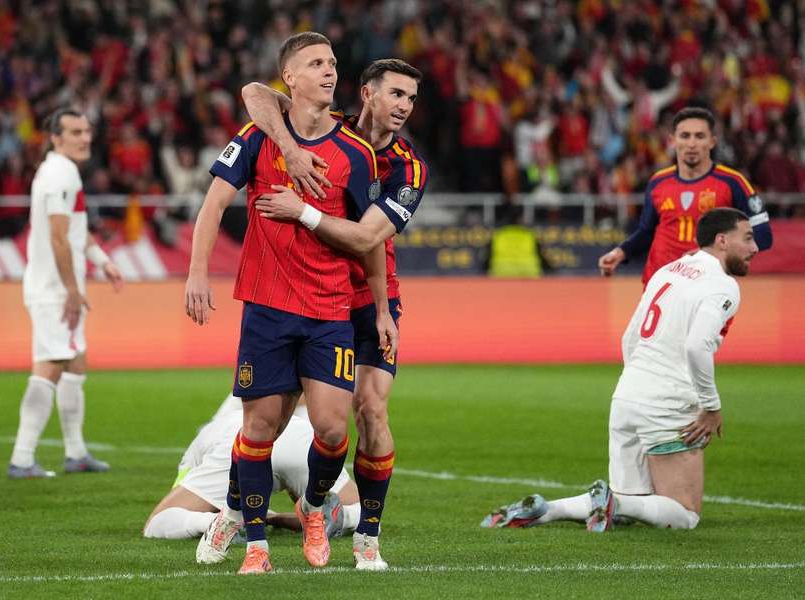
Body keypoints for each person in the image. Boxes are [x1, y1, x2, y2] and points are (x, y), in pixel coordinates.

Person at [184, 32, 396, 575]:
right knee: (259, 428)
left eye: (332, 62)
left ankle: (313, 506)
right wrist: (197, 273)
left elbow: (368, 238)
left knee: (331, 430)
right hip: (267, 308)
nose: (329, 71)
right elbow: (212, 206)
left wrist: (377, 308)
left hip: (329, 310)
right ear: (292, 79)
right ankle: (254, 543)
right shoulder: (257, 138)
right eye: (315, 64)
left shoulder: (355, 153)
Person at [241, 57, 429, 570]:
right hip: (306, 294)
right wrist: (287, 148)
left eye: (410, 98)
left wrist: (387, 310)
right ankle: (245, 509)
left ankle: (366, 534)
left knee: (370, 409)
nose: (404, 107)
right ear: (367, 94)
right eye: (395, 94)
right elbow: (256, 93)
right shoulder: (328, 127)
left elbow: (369, 238)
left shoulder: (409, 169)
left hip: (369, 300)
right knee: (272, 419)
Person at [483, 208, 758, 532]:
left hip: (627, 395)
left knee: (629, 505)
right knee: (686, 516)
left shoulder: (668, 271)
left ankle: (548, 510)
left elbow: (631, 336)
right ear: (722, 241)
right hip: (667, 402)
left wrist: (639, 382)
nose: (754, 248)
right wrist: (711, 407)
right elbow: (697, 346)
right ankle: (614, 502)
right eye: (748, 238)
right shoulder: (722, 285)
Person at [8, 108, 123, 479]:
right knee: (51, 364)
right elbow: (57, 236)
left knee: (75, 362)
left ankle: (75, 453)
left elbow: (75, 230)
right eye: (75, 132)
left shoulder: (65, 172)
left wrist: (101, 260)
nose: (84, 138)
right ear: (55, 138)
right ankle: (22, 458)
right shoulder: (58, 173)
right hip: (53, 290)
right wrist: (72, 291)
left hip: (60, 286)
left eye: (87, 131)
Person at [143, 394, 361, 541]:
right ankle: (348, 518)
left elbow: (163, 518)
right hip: (299, 435)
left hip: (239, 441)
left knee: (156, 522)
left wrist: (216, 512)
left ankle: (220, 522)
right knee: (362, 508)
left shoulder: (192, 458)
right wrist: (274, 518)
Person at [598, 107, 772, 285]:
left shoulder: (733, 183)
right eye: (685, 136)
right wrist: (620, 252)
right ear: (672, 141)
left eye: (699, 136)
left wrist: (710, 253)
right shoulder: (658, 182)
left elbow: (763, 236)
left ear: (712, 142)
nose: (691, 143)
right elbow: (646, 232)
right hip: (659, 285)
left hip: (708, 287)